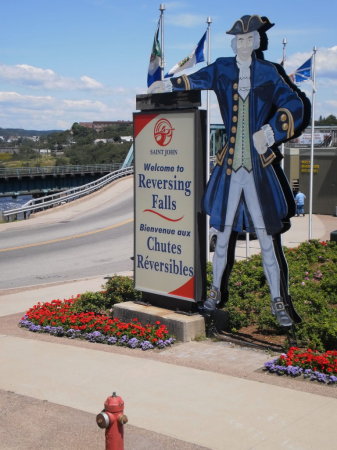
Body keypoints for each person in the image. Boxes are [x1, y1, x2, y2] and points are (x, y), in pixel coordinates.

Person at [149, 14, 309, 327]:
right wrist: (166, 83)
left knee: (266, 239)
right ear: (233, 42)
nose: (244, 44)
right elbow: (197, 78)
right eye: (239, 39)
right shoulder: (222, 67)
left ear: (258, 42)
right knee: (222, 236)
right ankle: (213, 292)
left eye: (249, 39)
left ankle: (278, 300)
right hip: (229, 168)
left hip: (259, 171)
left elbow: (294, 103)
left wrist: (273, 131)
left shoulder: (268, 72)